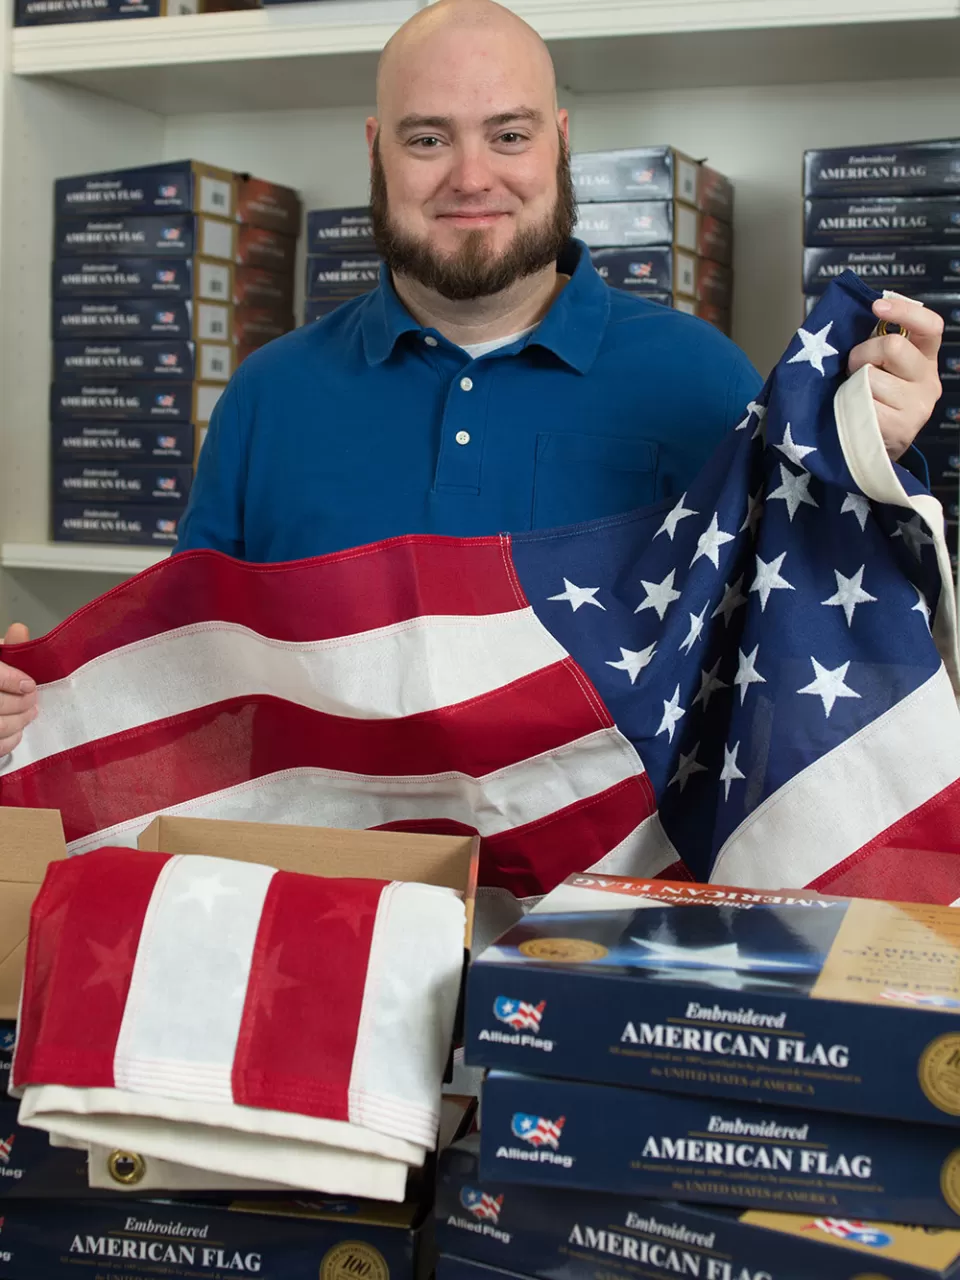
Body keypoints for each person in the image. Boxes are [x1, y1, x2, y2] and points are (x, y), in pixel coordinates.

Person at [0, 0, 944, 758]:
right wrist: (37, 701)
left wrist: (868, 461)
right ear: (375, 148)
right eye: (426, 139)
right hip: (332, 920)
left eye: (507, 134)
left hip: (599, 937)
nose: (469, 176)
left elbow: (789, 669)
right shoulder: (266, 396)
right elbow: (187, 689)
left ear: (560, 142)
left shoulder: (704, 381)